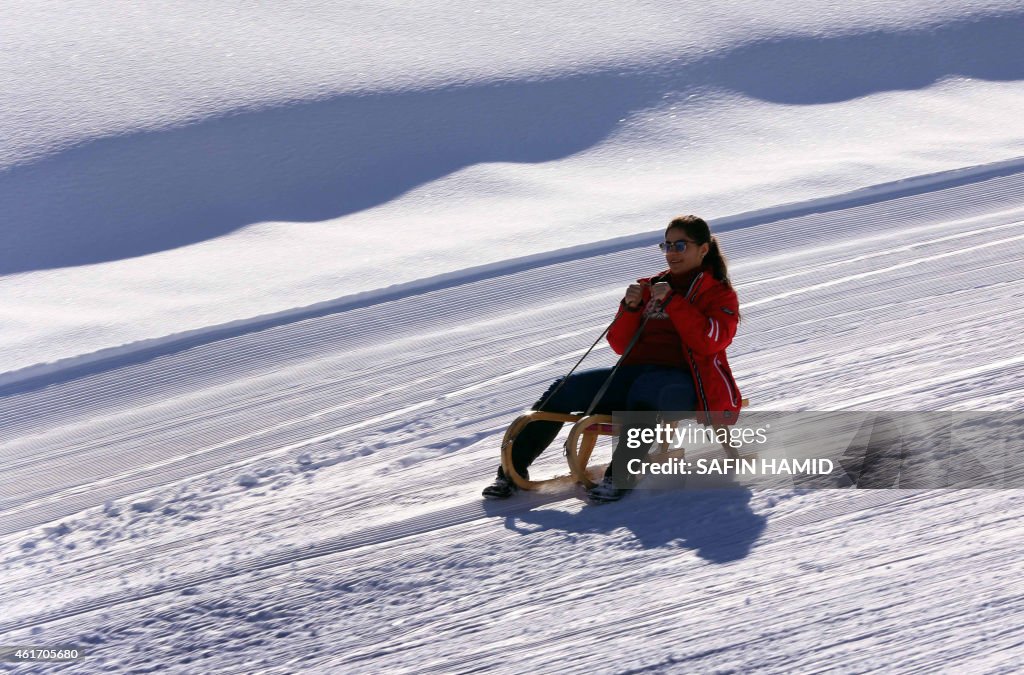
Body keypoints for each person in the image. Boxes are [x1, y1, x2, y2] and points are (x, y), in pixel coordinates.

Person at [483, 215, 743, 502]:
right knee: (564, 388)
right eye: (666, 245)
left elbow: (710, 341)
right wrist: (630, 308)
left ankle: (620, 477)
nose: (671, 253)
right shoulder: (652, 286)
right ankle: (511, 472)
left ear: (703, 249)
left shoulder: (719, 294)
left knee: (648, 390)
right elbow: (620, 345)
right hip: (636, 374)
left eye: (680, 245)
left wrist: (674, 303)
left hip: (689, 382)